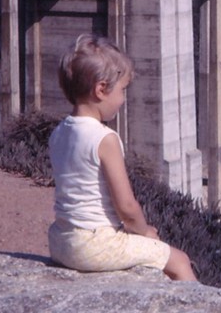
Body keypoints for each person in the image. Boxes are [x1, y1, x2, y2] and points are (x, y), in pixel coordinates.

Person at [47, 33, 197, 281]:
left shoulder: (59, 132)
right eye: (123, 90)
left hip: (61, 242)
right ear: (101, 90)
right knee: (179, 261)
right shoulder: (104, 138)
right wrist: (144, 231)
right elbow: (127, 207)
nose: (124, 100)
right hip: (94, 246)